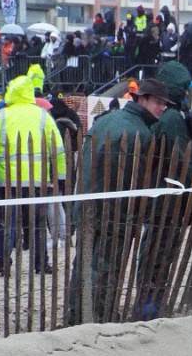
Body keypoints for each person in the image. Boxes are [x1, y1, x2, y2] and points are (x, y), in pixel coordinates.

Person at [69, 77, 171, 323]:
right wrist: (133, 216)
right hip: (113, 213)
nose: (162, 108)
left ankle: (75, 316)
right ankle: (98, 318)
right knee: (104, 268)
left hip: (85, 204)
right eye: (158, 102)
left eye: (164, 104)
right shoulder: (140, 133)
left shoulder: (105, 120)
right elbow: (131, 182)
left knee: (82, 264)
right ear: (142, 99)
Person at [0, 74, 66, 276]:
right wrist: (61, 177)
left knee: (8, 224)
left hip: (7, 181)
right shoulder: (43, 117)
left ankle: (3, 262)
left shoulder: (1, 116)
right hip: (37, 182)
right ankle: (40, 263)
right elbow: (58, 149)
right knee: (37, 224)